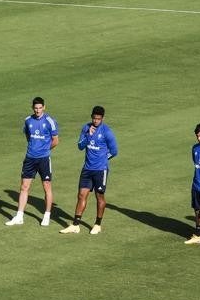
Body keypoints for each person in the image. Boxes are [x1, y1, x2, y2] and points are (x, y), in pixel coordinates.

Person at [62, 106, 118, 234]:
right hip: (87, 169)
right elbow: (80, 146)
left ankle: (97, 224)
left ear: (102, 118)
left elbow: (114, 151)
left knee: (99, 197)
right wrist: (88, 135)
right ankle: (76, 225)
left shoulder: (107, 132)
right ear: (91, 117)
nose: (96, 121)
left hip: (100, 170)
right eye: (94, 118)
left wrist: (104, 158)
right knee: (81, 195)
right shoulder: (86, 128)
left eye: (98, 119)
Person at [7, 97, 58, 227]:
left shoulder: (50, 121)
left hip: (44, 159)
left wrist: (44, 149)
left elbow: (55, 140)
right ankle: (19, 216)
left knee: (46, 186)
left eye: (40, 108)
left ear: (44, 107)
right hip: (30, 158)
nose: (37, 110)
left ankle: (46, 215)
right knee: (24, 187)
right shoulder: (28, 121)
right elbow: (28, 136)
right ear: (32, 108)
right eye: (35, 108)